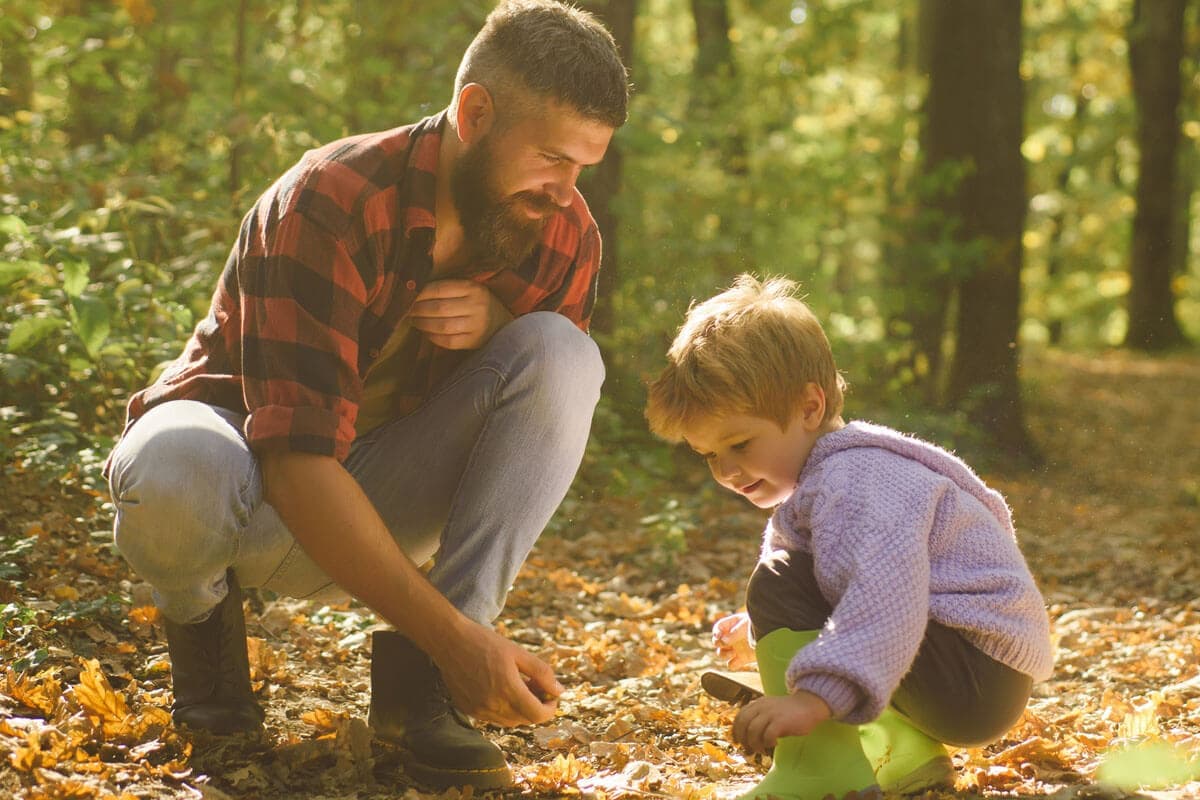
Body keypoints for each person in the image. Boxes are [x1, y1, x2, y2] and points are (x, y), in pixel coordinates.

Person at [103, 0, 629, 790]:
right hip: (249, 483)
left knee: (563, 350)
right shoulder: (333, 196)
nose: (566, 191)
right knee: (177, 461)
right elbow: (295, 464)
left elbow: (534, 417)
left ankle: (423, 692)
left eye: (584, 166)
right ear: (476, 113)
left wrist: (506, 325)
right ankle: (206, 648)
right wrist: (462, 644)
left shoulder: (564, 231)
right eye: (553, 158)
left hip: (384, 489)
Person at [644, 275, 1054, 800]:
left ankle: (819, 773)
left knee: (779, 580)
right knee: (785, 588)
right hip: (974, 671)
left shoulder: (855, 483)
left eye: (740, 443)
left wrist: (814, 698)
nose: (726, 470)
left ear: (809, 407)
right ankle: (905, 756)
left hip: (973, 676)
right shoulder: (840, 472)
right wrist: (766, 630)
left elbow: (886, 596)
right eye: (709, 454)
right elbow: (846, 581)